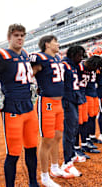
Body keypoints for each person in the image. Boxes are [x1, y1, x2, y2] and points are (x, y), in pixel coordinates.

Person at [0, 24, 39, 187]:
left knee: (32, 147)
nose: (20, 38)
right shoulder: (1, 55)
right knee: (13, 152)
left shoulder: (25, 54)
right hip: (12, 109)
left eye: (22, 35)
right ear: (9, 37)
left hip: (29, 108)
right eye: (16, 35)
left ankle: (33, 182)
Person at [30, 35, 67, 186]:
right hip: (47, 103)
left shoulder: (57, 59)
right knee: (47, 139)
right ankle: (44, 176)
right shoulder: (40, 58)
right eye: (55, 42)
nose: (58, 44)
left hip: (59, 102)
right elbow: (28, 75)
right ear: (47, 44)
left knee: (58, 136)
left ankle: (55, 167)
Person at [60, 45, 85, 177]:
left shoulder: (74, 66)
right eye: (79, 55)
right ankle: (66, 162)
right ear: (72, 54)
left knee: (74, 128)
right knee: (69, 130)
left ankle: (71, 154)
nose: (81, 58)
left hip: (74, 99)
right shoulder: (64, 65)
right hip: (67, 101)